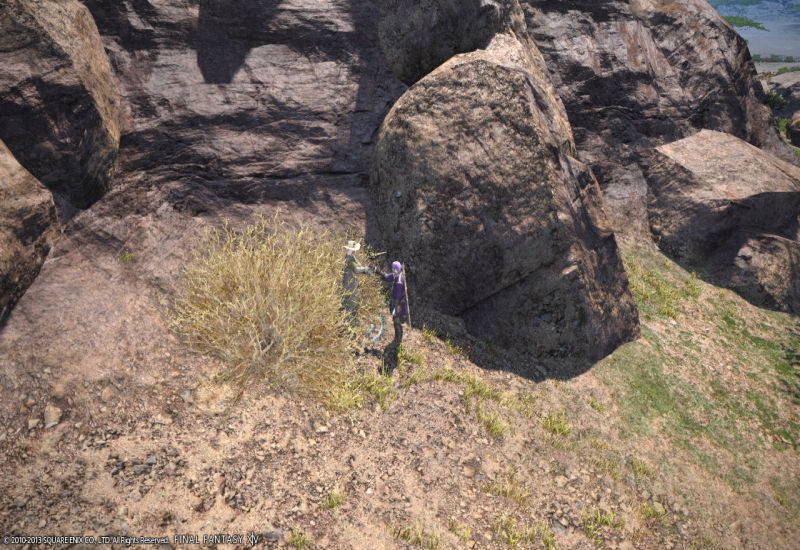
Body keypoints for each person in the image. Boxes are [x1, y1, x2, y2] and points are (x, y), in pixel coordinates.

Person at [376, 261, 408, 345]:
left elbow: (397, 296)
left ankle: (398, 340)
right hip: (397, 302)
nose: (393, 270)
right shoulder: (396, 274)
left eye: (394, 268)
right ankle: (398, 338)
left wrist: (395, 308)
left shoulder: (399, 281)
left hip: (398, 303)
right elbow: (387, 277)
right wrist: (378, 271)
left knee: (396, 321)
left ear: (397, 269)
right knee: (396, 320)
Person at [342, 240, 371, 323]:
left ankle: (351, 320)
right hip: (349, 284)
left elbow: (359, 267)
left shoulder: (352, 257)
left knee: (354, 301)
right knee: (351, 301)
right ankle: (347, 322)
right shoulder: (349, 259)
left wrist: (365, 270)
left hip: (351, 283)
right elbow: (356, 269)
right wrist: (365, 268)